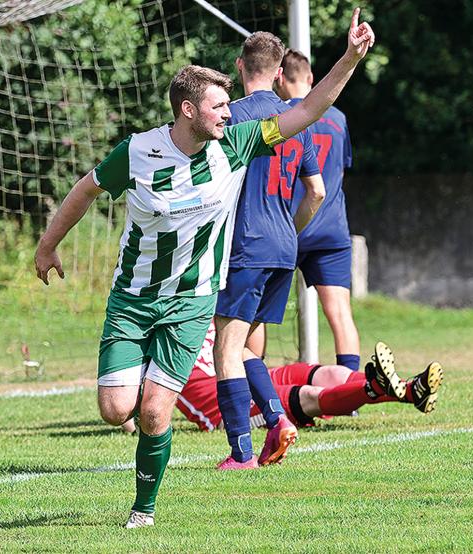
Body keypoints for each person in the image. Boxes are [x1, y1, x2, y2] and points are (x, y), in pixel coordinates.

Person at [34, 9, 375, 529]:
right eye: (218, 106)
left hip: (190, 303)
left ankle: (142, 511)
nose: (227, 114)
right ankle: (146, 377)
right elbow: (86, 190)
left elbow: (309, 108)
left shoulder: (235, 143)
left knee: (153, 413)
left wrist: (350, 57)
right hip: (133, 298)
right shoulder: (139, 151)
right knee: (114, 409)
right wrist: (47, 246)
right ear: (188, 110)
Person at [211, 31, 326, 472]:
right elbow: (315, 191)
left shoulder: (227, 118)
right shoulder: (297, 119)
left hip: (245, 246)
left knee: (226, 347)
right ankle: (277, 420)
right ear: (280, 74)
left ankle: (241, 453)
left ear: (239, 66)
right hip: (284, 247)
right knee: (245, 350)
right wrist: (289, 232)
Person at [178, 322, 442, 433]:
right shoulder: (152, 319)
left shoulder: (203, 290)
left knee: (331, 373)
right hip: (224, 405)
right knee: (307, 396)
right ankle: (374, 387)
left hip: (247, 371)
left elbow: (251, 347)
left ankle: (410, 391)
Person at [274, 49, 362, 372]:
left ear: (278, 78)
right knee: (340, 314)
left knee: (254, 317)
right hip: (332, 229)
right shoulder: (338, 119)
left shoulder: (278, 120)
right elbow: (340, 169)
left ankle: (253, 392)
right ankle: (352, 394)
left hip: (288, 227)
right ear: (312, 79)